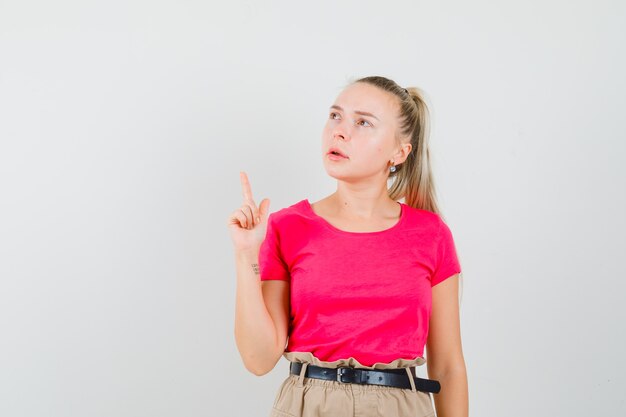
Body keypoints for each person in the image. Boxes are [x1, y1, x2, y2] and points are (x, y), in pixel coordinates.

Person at [228, 75, 468, 417]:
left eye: (363, 122)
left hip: (401, 407)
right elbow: (258, 359)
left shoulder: (431, 235)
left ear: (400, 152)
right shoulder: (287, 227)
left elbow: (447, 367)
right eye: (335, 116)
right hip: (309, 406)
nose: (339, 131)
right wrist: (245, 254)